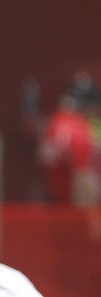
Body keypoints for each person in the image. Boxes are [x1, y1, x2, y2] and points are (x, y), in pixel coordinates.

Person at [38, 73, 101, 207]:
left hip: (55, 200)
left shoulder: (54, 122)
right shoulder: (78, 129)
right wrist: (94, 218)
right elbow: (82, 176)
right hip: (75, 209)